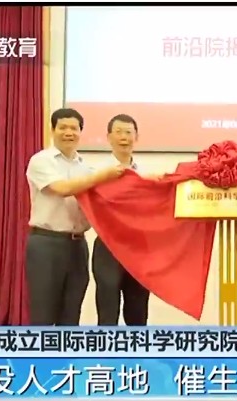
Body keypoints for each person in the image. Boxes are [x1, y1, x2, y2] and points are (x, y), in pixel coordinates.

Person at [25, 108, 125, 325]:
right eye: (63, 127)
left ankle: (65, 349)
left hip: (78, 246)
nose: (68, 132)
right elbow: (62, 188)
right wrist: (102, 176)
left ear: (80, 132)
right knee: (43, 313)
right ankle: (38, 350)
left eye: (74, 128)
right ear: (52, 130)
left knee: (71, 314)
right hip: (46, 244)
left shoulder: (85, 167)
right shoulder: (41, 161)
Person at [92, 114, 158, 326]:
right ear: (109, 137)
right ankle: (107, 349)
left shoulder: (146, 173)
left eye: (129, 132)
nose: (124, 137)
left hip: (139, 248)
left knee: (138, 313)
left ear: (136, 137)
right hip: (108, 247)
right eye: (118, 132)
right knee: (107, 312)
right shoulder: (96, 172)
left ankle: (136, 348)